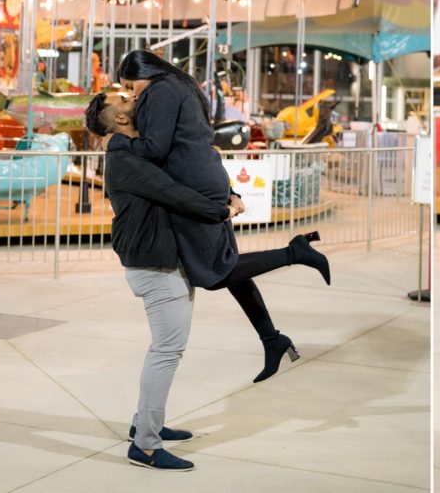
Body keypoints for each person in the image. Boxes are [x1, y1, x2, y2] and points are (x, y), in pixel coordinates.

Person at [102, 51, 331, 382]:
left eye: (130, 85)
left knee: (214, 273)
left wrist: (118, 144)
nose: (131, 93)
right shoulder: (183, 87)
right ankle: (272, 339)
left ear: (145, 74)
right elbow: (194, 145)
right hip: (206, 177)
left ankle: (295, 251)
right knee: (230, 266)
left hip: (194, 186)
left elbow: (155, 148)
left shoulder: (161, 89)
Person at [86, 90, 241, 472]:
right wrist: (221, 210)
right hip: (154, 267)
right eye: (124, 99)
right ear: (119, 119)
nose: (133, 98)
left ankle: (145, 423)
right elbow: (173, 194)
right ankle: (146, 446)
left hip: (160, 261)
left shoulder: (135, 152)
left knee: (166, 349)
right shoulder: (123, 157)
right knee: (167, 351)